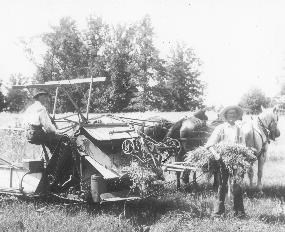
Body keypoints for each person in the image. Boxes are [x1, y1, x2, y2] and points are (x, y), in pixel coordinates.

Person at [205, 105, 246, 218]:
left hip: (236, 162)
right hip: (221, 161)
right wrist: (216, 154)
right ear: (226, 116)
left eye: (234, 114)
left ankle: (239, 213)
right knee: (221, 186)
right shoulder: (220, 128)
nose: (231, 116)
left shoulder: (239, 129)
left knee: (237, 186)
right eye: (229, 114)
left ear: (237, 116)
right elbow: (209, 145)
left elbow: (243, 147)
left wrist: (241, 159)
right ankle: (217, 214)